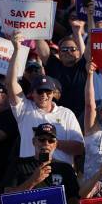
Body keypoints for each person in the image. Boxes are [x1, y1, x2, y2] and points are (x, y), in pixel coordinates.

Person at [7, 32, 84, 166]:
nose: (44, 95)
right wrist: (16, 50)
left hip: (60, 172)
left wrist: (51, 142)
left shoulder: (66, 113)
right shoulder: (24, 109)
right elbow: (11, 83)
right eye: (40, 91)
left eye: (48, 91)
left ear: (53, 93)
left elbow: (80, 148)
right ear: (32, 93)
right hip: (30, 170)